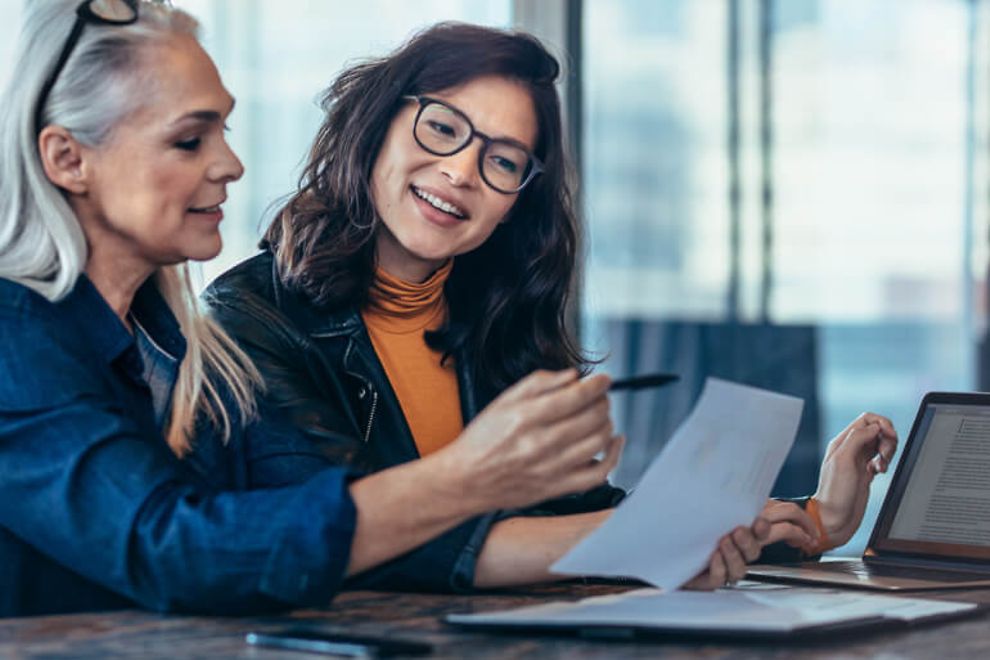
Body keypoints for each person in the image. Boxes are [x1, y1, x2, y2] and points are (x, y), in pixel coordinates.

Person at [0, 0, 642, 618]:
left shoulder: (185, 347)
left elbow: (295, 525)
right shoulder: (20, 334)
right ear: (67, 159)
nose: (231, 164)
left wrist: (667, 536)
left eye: (223, 129)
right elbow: (179, 547)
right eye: (190, 141)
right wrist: (466, 478)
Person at [204, 23, 898, 592]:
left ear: (515, 204)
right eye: (442, 128)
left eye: (503, 161)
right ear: (377, 124)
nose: (461, 172)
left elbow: (575, 518)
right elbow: (360, 537)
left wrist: (816, 518)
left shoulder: (494, 322)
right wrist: (661, 538)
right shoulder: (248, 319)